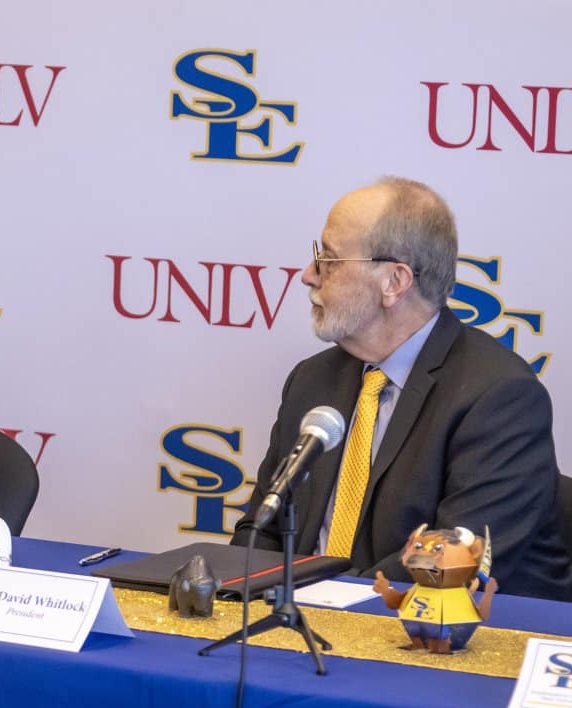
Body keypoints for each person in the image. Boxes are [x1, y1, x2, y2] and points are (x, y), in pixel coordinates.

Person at [231, 176, 572, 600]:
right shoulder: (312, 380)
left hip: (439, 632)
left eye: (329, 260)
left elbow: (450, 562)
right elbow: (262, 526)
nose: (308, 275)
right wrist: (245, 595)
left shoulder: (499, 396)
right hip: (301, 617)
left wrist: (321, 600)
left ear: (394, 282)